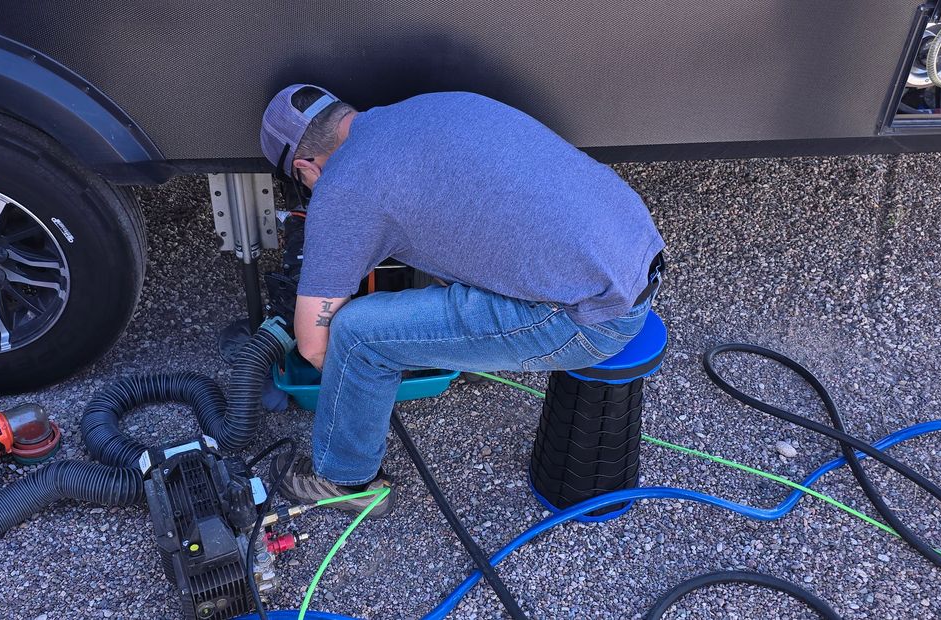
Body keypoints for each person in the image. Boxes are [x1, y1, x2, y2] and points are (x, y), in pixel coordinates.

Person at [259, 85, 665, 517]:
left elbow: (313, 344)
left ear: (305, 165)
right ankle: (481, 356)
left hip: (589, 319)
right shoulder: (432, 104)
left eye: (303, 181)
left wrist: (358, 382)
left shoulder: (343, 183)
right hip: (638, 252)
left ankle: (344, 480)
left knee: (357, 338)